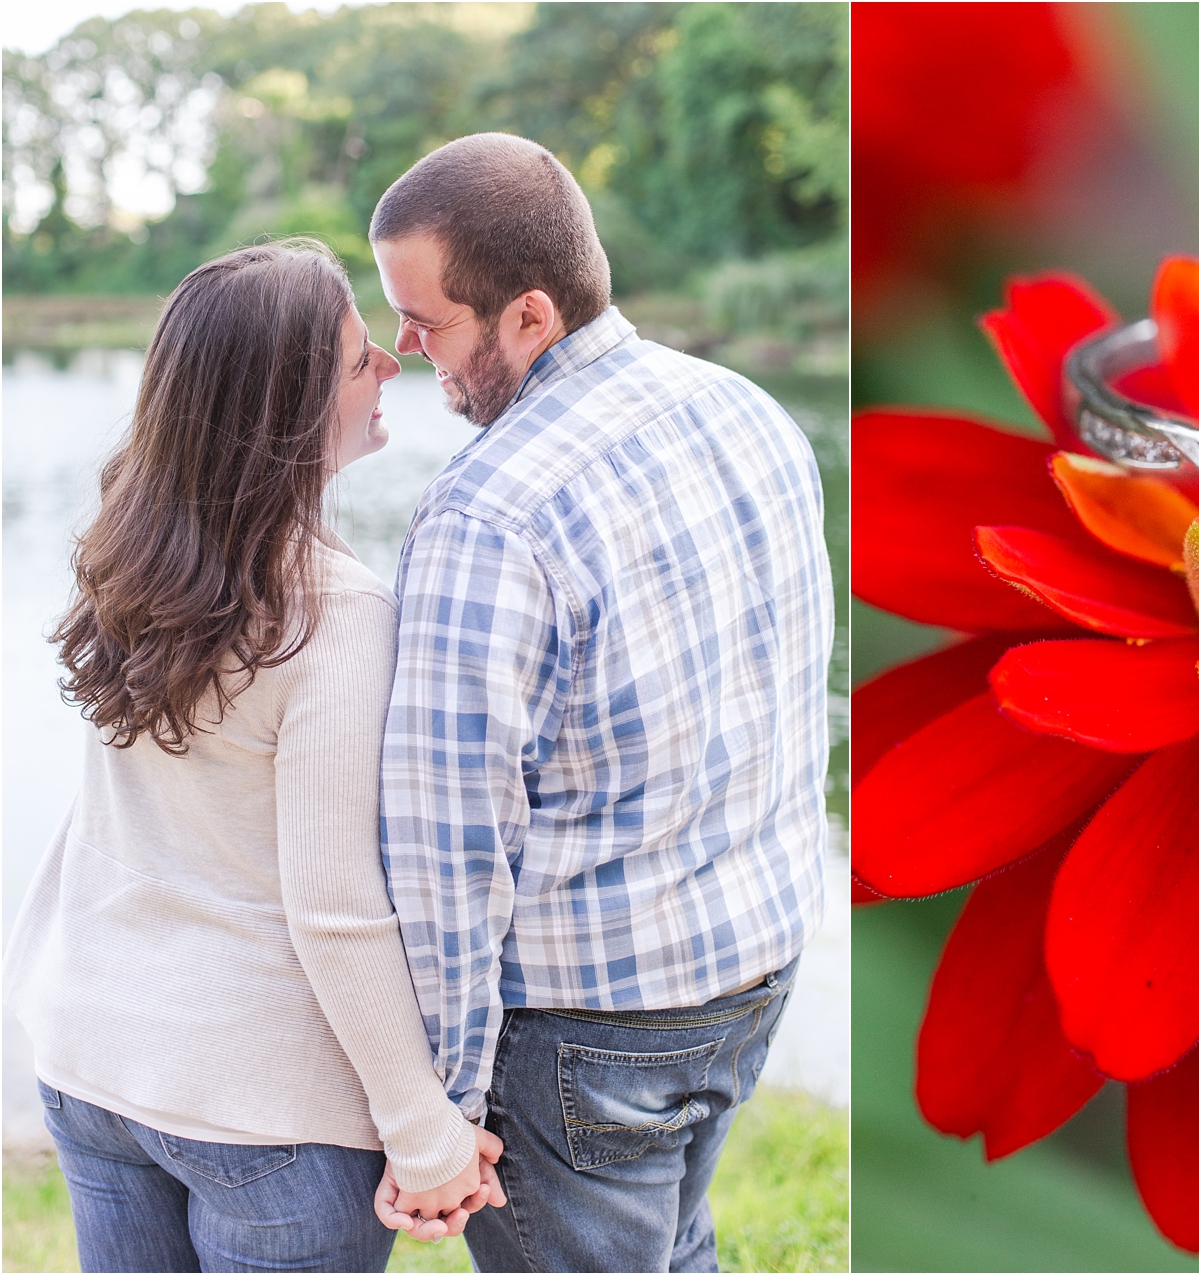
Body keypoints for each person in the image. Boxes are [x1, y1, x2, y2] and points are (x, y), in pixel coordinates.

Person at [368, 133, 833, 1271]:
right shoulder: (747, 410)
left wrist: (441, 1110)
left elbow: (449, 853)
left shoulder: (485, 514)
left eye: (427, 321)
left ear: (530, 315)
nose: (402, 347)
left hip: (584, 1029)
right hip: (753, 966)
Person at [3, 240, 504, 1273]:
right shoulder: (333, 610)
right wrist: (423, 1134)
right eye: (360, 357)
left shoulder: (126, 553)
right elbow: (333, 907)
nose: (391, 367)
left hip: (92, 1055)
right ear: (286, 405)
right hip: (260, 1111)